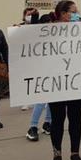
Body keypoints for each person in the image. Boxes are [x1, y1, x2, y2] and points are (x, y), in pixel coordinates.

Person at [48, 0, 81, 160]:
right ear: (63, 13)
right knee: (57, 120)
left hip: (76, 82)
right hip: (56, 84)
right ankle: (57, 156)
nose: (76, 14)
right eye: (73, 11)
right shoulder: (47, 30)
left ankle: (75, 153)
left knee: (75, 119)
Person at [25, 14, 52, 142]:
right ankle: (33, 127)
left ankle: (47, 123)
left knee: (52, 100)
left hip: (54, 73)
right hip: (41, 73)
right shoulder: (37, 37)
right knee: (41, 100)